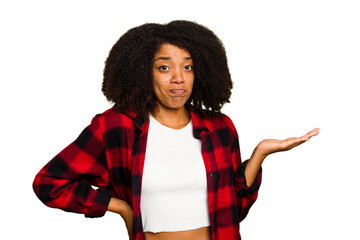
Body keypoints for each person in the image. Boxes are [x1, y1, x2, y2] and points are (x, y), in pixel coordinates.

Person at [33, 20, 319, 240]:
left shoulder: (219, 128)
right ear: (144, 71)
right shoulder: (117, 127)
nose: (178, 79)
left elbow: (235, 209)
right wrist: (119, 206)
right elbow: (49, 183)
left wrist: (260, 154)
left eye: (188, 66)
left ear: (201, 71)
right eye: (164, 68)